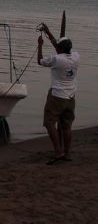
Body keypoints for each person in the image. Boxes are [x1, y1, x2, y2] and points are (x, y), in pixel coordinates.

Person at [37, 23, 79, 164]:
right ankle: (67, 153)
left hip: (57, 96)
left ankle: (58, 151)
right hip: (71, 97)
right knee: (66, 126)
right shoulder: (76, 56)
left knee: (49, 123)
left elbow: (40, 61)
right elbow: (58, 45)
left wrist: (40, 45)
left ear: (59, 49)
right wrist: (48, 32)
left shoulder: (56, 59)